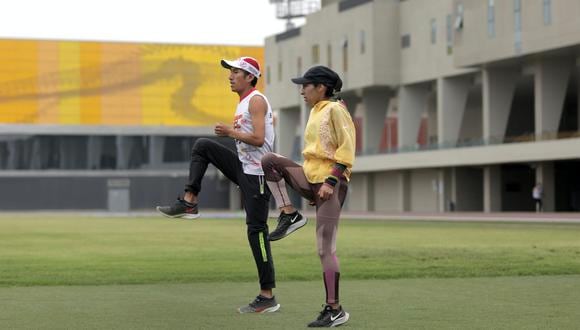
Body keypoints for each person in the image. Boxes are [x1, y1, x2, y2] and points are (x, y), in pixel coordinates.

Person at [156, 56, 280, 314]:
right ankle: (189, 202)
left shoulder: (256, 100)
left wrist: (230, 132)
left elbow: (258, 139)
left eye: (236, 72)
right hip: (245, 169)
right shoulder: (244, 102)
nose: (230, 76)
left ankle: (267, 295)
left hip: (257, 176)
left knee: (256, 232)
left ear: (249, 77)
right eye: (230, 71)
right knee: (203, 146)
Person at [261, 65, 355, 327]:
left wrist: (331, 180)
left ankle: (335, 309)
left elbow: (347, 150)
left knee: (325, 248)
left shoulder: (337, 109)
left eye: (305, 85)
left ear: (321, 87)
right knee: (269, 160)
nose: (301, 90)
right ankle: (289, 214)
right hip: (309, 178)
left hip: (329, 184)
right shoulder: (315, 110)